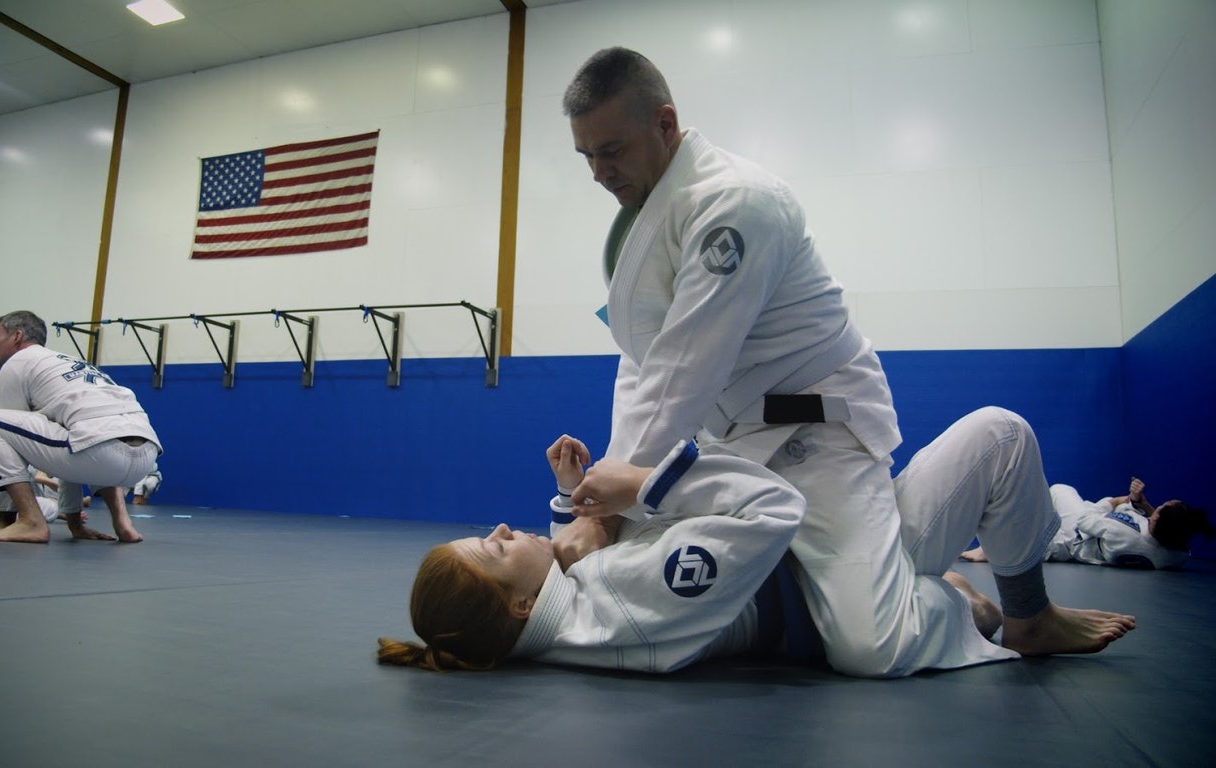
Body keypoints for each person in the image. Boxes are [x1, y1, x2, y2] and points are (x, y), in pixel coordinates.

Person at [554, 46, 988, 676]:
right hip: (733, 446)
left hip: (815, 432)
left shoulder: (735, 202)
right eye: (586, 155)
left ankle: (964, 568)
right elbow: (643, 366)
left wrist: (609, 508)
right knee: (628, 566)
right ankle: (875, 564)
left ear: (665, 124)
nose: (598, 172)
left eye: (611, 150)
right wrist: (604, 500)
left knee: (871, 648)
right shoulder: (641, 224)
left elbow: (683, 372)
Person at [377, 408, 1135, 673]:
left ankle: (955, 600)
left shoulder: (568, 621)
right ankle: (1014, 612)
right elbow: (773, 511)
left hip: (816, 561)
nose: (497, 529)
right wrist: (641, 485)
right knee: (1000, 433)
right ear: (517, 606)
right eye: (492, 548)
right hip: (837, 563)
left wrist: (573, 507)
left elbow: (570, 583)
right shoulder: (624, 598)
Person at [0, 310, 162, 544]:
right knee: (82, 433)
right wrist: (74, 523)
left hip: (99, 451)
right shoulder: (70, 363)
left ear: (17, 336)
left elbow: (14, 448)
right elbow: (69, 442)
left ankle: (31, 521)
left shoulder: (17, 362)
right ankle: (124, 524)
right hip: (145, 458)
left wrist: (7, 520)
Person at [963, 478, 1212, 570]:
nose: (1156, 508)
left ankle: (990, 550)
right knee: (1043, 536)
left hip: (1076, 537)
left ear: (1157, 518)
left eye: (1160, 507)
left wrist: (1114, 501)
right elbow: (1170, 538)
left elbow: (1085, 521)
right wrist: (1143, 504)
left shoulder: (1124, 532)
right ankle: (994, 549)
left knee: (1060, 490)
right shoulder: (1171, 554)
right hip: (1086, 545)